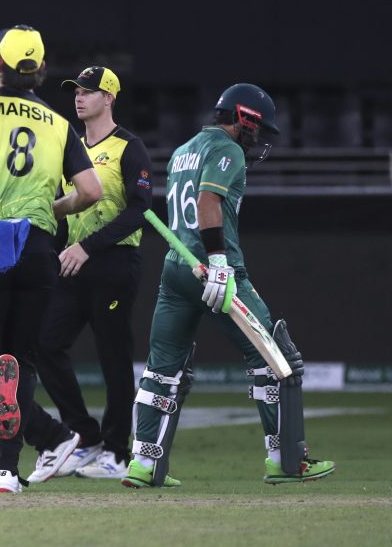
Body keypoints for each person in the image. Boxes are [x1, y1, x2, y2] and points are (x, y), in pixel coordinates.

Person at [123, 83, 335, 488]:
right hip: (215, 269)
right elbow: (207, 200)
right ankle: (286, 460)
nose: (259, 137)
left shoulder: (184, 149)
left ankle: (143, 464)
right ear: (244, 118)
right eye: (259, 127)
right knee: (274, 357)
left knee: (161, 370)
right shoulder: (228, 150)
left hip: (176, 268)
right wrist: (219, 262)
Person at [0, 25, 102, 493]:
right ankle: (5, 470)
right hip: (38, 245)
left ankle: (50, 435)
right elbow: (91, 191)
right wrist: (54, 209)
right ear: (42, 69)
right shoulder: (58, 123)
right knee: (19, 360)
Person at [25, 66, 153, 482]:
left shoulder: (129, 147)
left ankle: (117, 452)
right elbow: (66, 207)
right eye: (76, 91)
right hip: (73, 261)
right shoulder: (73, 147)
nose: (78, 97)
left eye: (88, 91)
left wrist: (87, 247)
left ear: (109, 97)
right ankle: (86, 435)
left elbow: (139, 211)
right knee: (45, 344)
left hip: (113, 262)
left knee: (113, 356)